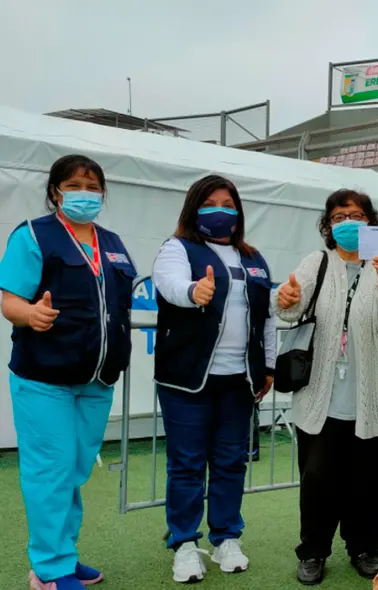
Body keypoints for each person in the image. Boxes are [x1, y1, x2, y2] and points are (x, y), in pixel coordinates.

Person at [0, 155, 137, 590]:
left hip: (97, 380)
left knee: (74, 471)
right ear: (56, 191)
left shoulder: (112, 242)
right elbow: (9, 300)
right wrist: (30, 314)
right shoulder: (33, 235)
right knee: (51, 471)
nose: (85, 193)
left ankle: (63, 554)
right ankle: (49, 569)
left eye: (93, 186)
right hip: (44, 379)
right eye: (75, 185)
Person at [273, 189, 378, 585]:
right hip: (320, 395)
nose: (348, 222)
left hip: (370, 398)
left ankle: (364, 547)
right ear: (328, 226)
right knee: (318, 480)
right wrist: (286, 297)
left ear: (371, 222)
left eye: (356, 215)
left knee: (368, 481)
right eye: (338, 217)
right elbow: (290, 310)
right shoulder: (316, 262)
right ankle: (313, 551)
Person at [152, 175, 277, 584]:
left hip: (238, 381)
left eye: (228, 203)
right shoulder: (177, 248)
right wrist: (193, 291)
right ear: (194, 207)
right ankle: (185, 543)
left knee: (230, 462)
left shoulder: (253, 258)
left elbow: (266, 318)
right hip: (187, 380)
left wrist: (268, 367)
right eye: (210, 202)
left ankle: (226, 537)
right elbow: (170, 284)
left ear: (238, 212)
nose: (220, 210)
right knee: (187, 464)